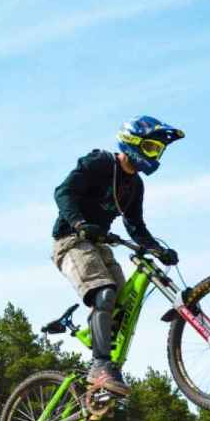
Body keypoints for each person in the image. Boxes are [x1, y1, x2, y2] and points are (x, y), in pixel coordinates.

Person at [51, 115, 184, 397]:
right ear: (131, 142)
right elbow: (63, 192)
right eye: (150, 148)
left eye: (157, 151)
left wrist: (158, 250)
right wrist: (79, 223)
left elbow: (136, 227)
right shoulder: (100, 163)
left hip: (100, 244)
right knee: (105, 292)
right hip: (71, 241)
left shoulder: (135, 186)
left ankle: (104, 375)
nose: (154, 155)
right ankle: (99, 365)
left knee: (123, 304)